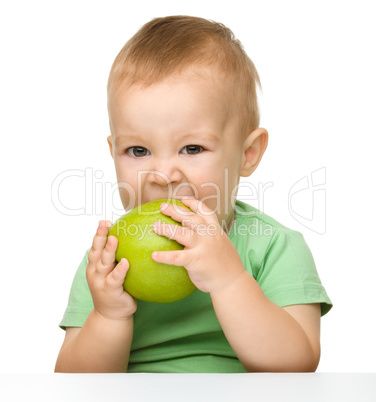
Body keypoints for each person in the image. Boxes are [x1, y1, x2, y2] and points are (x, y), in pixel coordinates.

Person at [55, 15, 332, 373]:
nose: (163, 175)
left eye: (192, 148)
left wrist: (229, 280)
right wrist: (109, 315)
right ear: (113, 152)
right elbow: (73, 383)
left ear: (248, 154)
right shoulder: (109, 260)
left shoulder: (274, 247)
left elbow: (296, 366)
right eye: (138, 151)